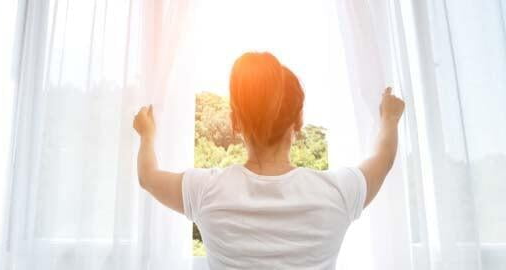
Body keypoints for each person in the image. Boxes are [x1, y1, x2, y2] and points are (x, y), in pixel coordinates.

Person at [133, 52, 405, 269]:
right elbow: (384, 158)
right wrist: (390, 120)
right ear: (298, 123)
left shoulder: (204, 190)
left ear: (235, 122)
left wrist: (147, 135)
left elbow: (148, 177)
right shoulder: (338, 192)